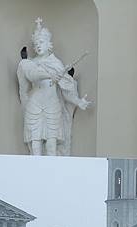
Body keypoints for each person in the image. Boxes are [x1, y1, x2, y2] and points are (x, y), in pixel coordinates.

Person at [16, 18, 91, 156]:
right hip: (34, 105)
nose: (38, 46)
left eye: (41, 42)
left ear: (48, 44)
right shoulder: (29, 64)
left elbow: (65, 90)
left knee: (52, 144)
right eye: (36, 43)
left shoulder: (55, 63)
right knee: (35, 144)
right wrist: (50, 75)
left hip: (52, 105)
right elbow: (32, 75)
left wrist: (78, 101)